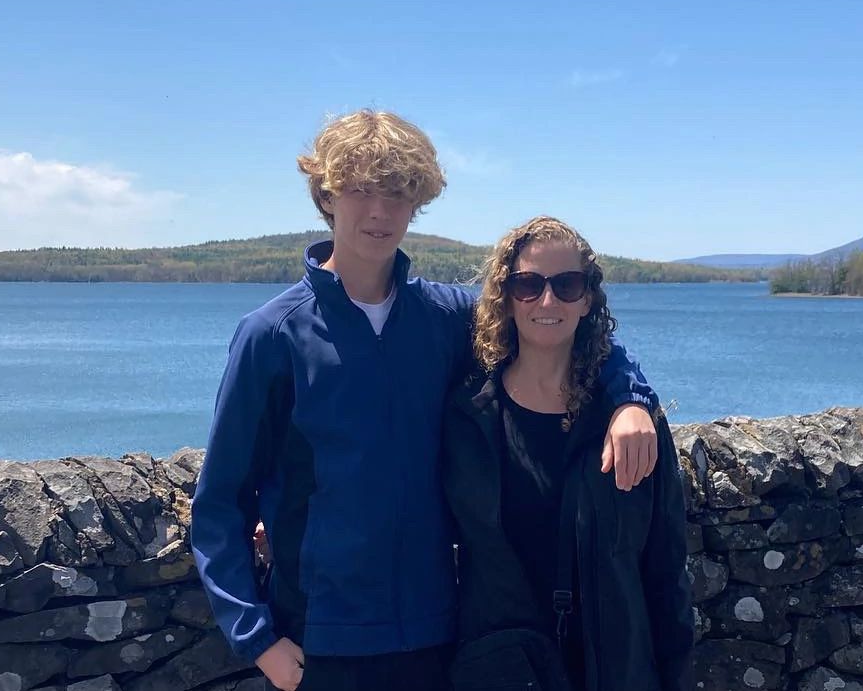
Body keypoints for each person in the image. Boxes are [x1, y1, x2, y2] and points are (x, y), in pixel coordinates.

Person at [191, 111, 663, 691]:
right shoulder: (273, 335)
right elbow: (219, 504)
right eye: (360, 190)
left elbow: (558, 331)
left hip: (439, 635)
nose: (380, 212)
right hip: (320, 641)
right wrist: (257, 639)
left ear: (418, 201)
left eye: (398, 192)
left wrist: (631, 399)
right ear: (326, 195)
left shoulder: (446, 319)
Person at [443, 216, 694, 691]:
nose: (547, 300)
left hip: (615, 673)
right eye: (528, 284)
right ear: (506, 297)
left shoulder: (634, 426)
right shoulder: (466, 420)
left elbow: (666, 575)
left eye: (567, 284)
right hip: (500, 671)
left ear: (587, 301)